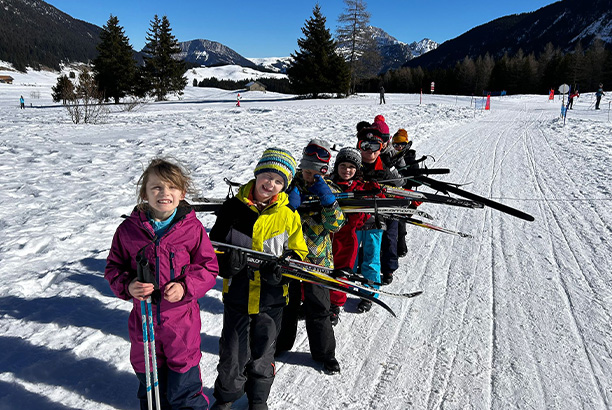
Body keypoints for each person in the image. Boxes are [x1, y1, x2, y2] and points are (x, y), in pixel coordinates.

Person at [105, 158, 219, 410]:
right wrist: (128, 285)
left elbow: (208, 268)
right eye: (156, 187)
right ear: (144, 192)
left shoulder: (192, 229)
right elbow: (113, 268)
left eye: (171, 187)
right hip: (144, 328)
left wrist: (185, 287)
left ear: (182, 193)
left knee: (184, 393)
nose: (164, 193)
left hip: (182, 327)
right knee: (151, 393)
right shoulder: (128, 230)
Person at [209, 148, 308, 410]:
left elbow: (299, 252)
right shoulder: (233, 209)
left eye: (278, 181)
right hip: (238, 295)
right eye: (267, 176)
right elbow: (213, 247)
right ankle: (226, 397)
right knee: (232, 353)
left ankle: (258, 397)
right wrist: (225, 263)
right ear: (257, 174)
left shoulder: (288, 216)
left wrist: (282, 270)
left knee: (263, 352)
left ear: (284, 186)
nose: (271, 184)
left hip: (271, 298)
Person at [276, 139, 345, 374]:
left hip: (318, 260)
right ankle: (281, 343)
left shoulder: (331, 190)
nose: (309, 176)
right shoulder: (288, 187)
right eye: (306, 171)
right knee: (287, 304)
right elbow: (275, 220)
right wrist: (287, 207)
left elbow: (336, 225)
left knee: (319, 307)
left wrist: (328, 201)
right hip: (288, 255)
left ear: (324, 171)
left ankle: (325, 354)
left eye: (314, 173)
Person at [329, 147, 381, 324]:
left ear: (357, 169)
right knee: (322, 269)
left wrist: (367, 197)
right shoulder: (328, 184)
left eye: (351, 167)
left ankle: (335, 306)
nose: (346, 170)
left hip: (347, 238)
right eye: (342, 165)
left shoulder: (360, 187)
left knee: (342, 271)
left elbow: (361, 220)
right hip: (326, 236)